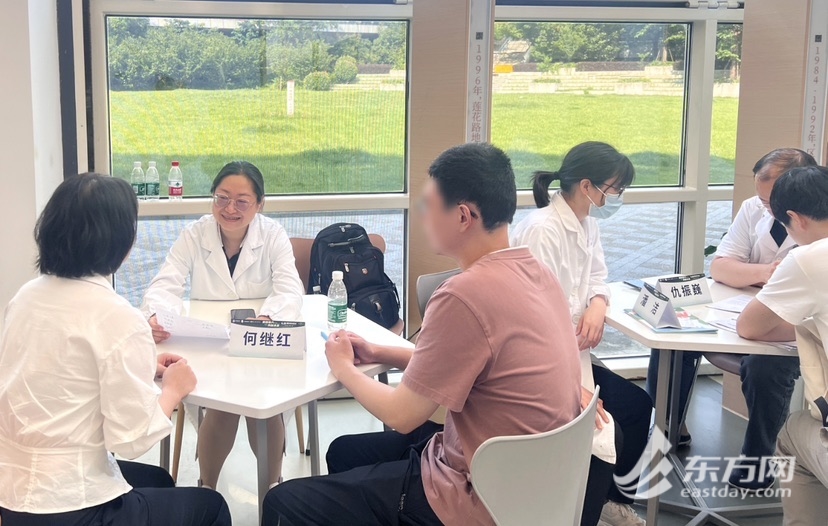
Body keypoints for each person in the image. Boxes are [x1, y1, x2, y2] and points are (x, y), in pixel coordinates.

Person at [262, 143, 582, 525]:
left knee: (282, 502)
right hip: (526, 482)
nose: (423, 215)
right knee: (345, 452)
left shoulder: (463, 295)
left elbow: (401, 415)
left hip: (472, 496)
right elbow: (470, 366)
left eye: (429, 205)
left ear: (462, 216)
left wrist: (342, 366)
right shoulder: (536, 271)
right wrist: (381, 351)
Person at [0, 173, 231, 526]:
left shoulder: (26, 297)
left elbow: (60, 368)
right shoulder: (116, 316)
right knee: (210, 507)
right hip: (72, 504)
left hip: (13, 491)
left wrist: (142, 363)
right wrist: (173, 390)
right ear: (121, 243)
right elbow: (132, 440)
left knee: (158, 481)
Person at [645, 148, 816, 490]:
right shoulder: (754, 208)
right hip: (745, 314)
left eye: (773, 201)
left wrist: (760, 280)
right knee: (675, 335)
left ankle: (759, 460)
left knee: (765, 367)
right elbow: (722, 267)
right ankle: (666, 429)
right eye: (763, 199)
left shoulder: (814, 229)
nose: (767, 208)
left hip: (792, 330)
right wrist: (769, 273)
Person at [511, 141, 652, 526]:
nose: (616, 197)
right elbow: (534, 317)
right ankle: (580, 509)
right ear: (587, 185)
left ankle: (611, 500)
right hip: (542, 361)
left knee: (637, 408)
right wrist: (570, 384)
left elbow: (598, 276)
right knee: (605, 430)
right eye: (615, 188)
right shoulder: (543, 230)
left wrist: (598, 304)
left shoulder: (586, 223)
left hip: (573, 353)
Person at [142, 161, 303, 490]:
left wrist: (267, 318)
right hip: (210, 346)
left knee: (265, 405)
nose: (230, 209)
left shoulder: (272, 234)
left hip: (258, 344)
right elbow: (166, 283)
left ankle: (272, 491)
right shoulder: (195, 234)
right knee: (221, 403)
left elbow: (290, 289)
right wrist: (157, 315)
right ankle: (207, 490)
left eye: (242, 201)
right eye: (222, 198)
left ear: (260, 204)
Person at [735, 165, 828, 524]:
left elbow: (749, 327)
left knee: (790, 435)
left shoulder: (808, 258)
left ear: (795, 218)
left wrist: (801, 324)